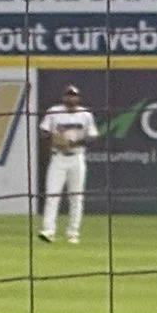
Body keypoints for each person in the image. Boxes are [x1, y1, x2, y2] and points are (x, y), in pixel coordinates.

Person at [36, 85, 96, 245]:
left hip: (77, 158)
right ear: (64, 98)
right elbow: (43, 132)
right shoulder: (54, 111)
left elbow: (92, 136)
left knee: (76, 197)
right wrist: (55, 138)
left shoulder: (85, 114)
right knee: (52, 195)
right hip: (58, 158)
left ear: (78, 98)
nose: (71, 98)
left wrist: (73, 142)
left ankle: (73, 233)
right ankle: (48, 231)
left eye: (74, 95)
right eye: (69, 95)